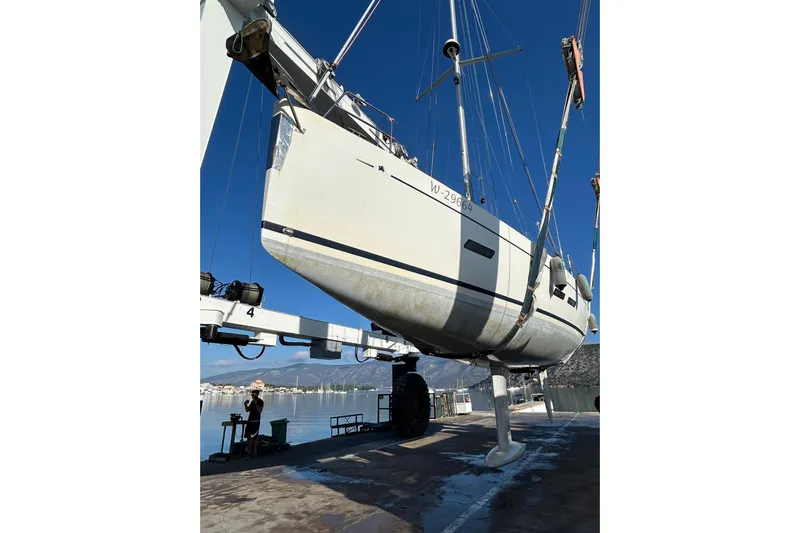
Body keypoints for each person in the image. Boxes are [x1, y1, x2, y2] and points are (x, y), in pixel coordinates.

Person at [243, 389, 264, 457]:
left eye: (254, 394)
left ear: (257, 394)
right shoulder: (252, 402)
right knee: (249, 437)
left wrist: (256, 404)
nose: (252, 395)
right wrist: (245, 404)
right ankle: (249, 451)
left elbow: (260, 411)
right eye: (252, 394)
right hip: (250, 421)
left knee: (255, 438)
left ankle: (254, 452)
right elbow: (247, 410)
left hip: (256, 421)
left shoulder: (260, 401)